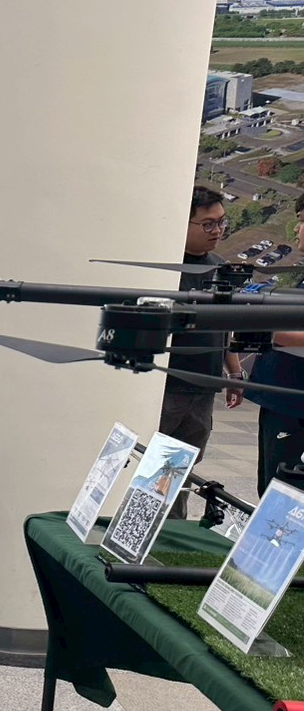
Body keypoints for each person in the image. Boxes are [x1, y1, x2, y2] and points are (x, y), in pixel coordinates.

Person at [160, 185, 243, 517]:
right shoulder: (166, 270)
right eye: (208, 224)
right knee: (153, 469)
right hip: (166, 388)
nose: (217, 231)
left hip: (204, 390)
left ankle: (172, 532)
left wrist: (234, 372)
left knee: (183, 473)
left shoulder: (220, 267)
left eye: (221, 222)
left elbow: (227, 325)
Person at [246, 190, 304, 495]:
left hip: (294, 404)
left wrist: (262, 331)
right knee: (270, 486)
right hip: (281, 399)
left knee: (283, 493)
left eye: (302, 220)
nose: (297, 229)